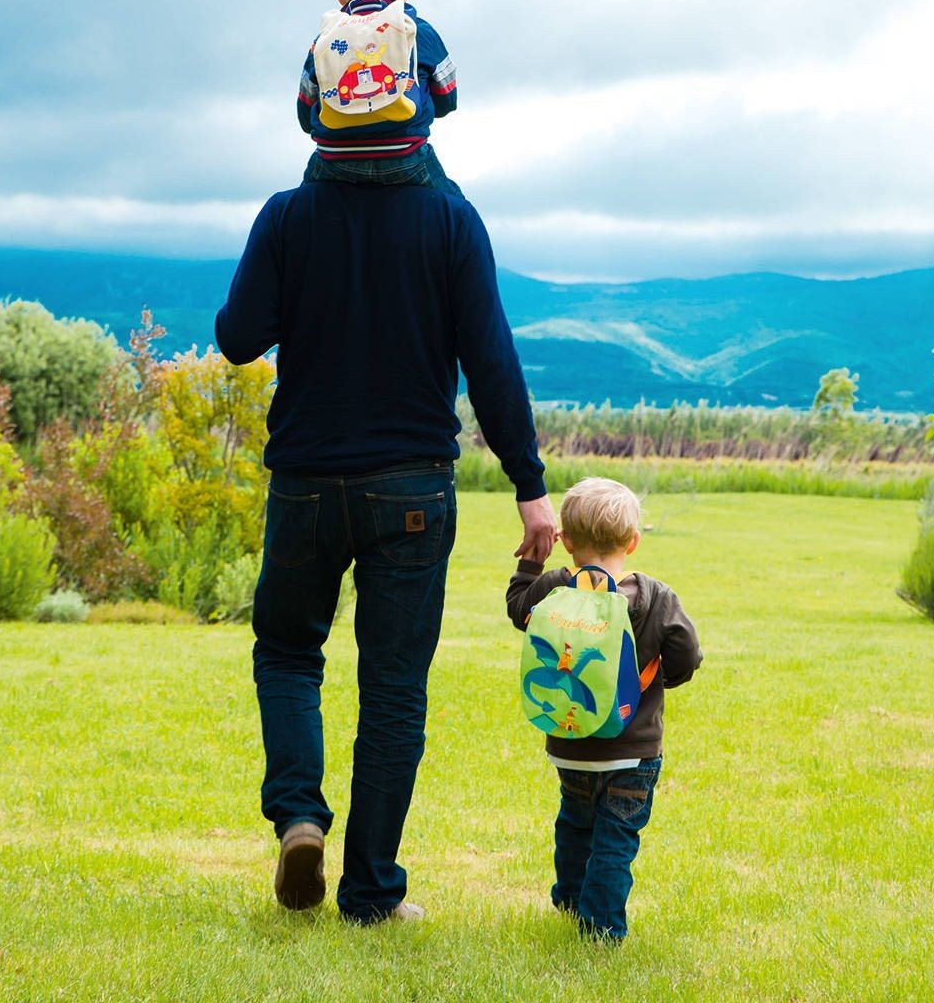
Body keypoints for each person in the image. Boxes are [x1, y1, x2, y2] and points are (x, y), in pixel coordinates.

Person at [214, 174, 557, 924]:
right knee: (394, 691)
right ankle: (370, 893)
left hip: (304, 481)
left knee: (288, 652)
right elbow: (491, 359)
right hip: (412, 490)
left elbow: (238, 338)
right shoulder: (451, 221)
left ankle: (299, 815)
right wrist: (529, 483)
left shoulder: (286, 215)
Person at [505, 477, 702, 941]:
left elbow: (519, 611)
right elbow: (687, 652)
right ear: (632, 542)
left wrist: (533, 563)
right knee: (616, 836)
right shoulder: (656, 598)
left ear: (566, 541)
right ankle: (602, 927)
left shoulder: (556, 588)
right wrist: (661, 678)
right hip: (633, 750)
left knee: (576, 822)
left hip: (571, 743)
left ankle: (572, 899)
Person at [296, 0, 459, 193]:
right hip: (406, 157)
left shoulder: (325, 39)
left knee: (298, 210)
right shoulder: (419, 32)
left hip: (333, 161)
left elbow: (305, 113)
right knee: (457, 208)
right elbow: (447, 98)